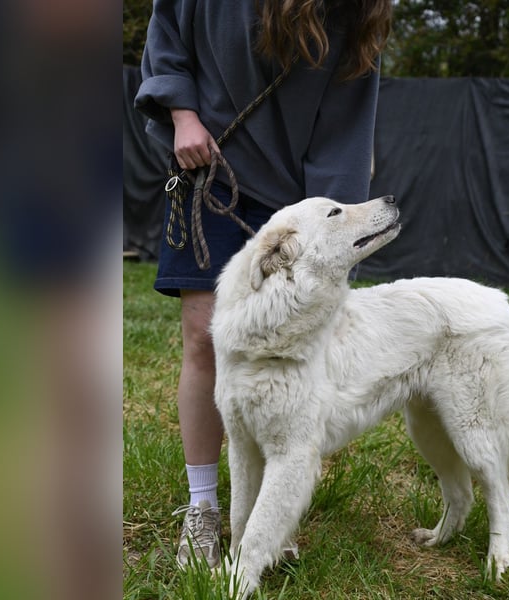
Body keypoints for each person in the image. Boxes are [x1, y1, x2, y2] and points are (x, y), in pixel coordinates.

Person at [135, 0, 392, 569]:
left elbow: (346, 130)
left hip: (298, 204)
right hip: (209, 169)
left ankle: (270, 516)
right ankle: (203, 507)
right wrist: (182, 114)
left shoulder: (355, 12)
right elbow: (168, 27)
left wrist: (331, 237)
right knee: (205, 337)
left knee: (292, 356)